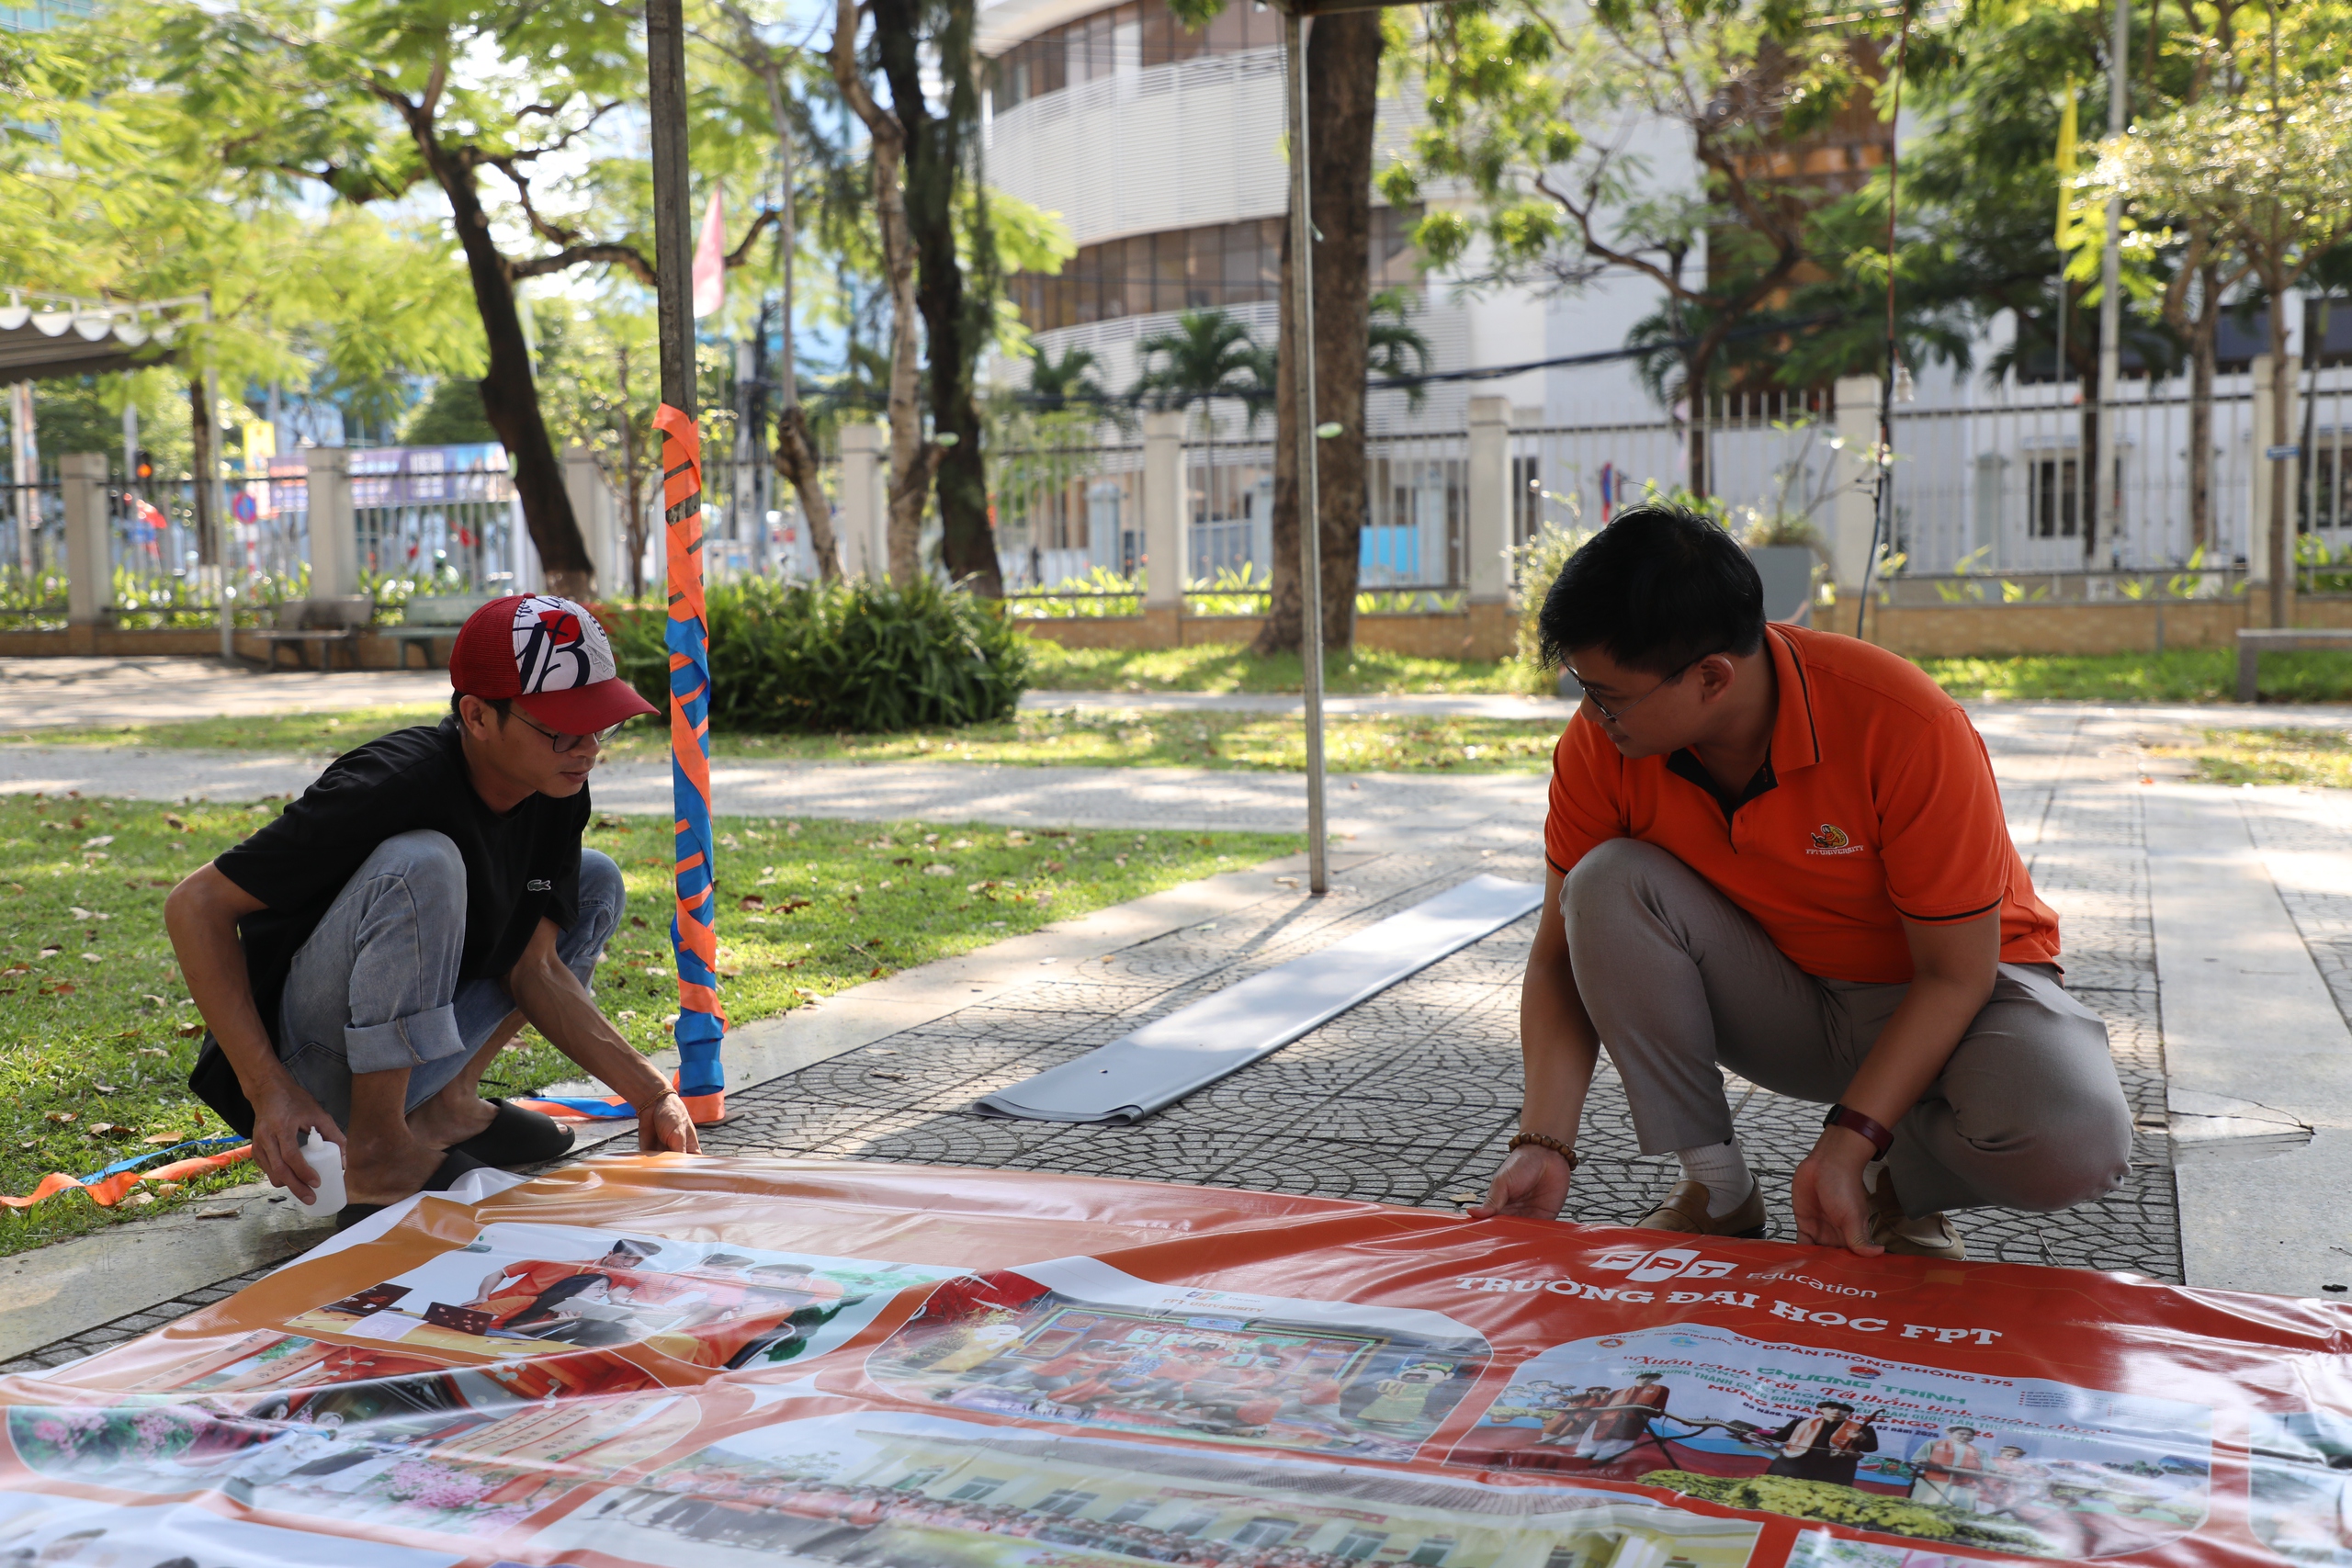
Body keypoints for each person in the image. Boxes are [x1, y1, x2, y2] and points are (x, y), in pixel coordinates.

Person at [1472, 505, 2132, 1257]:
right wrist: (1544, 1143)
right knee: (1604, 884)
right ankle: (1718, 1189)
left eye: (1607, 695)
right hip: (1785, 999)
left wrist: (1851, 1140)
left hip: (1958, 997)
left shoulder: (1904, 725)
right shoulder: (1603, 748)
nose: (1592, 716)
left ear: (1712, 676)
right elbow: (1559, 957)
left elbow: (1955, 974)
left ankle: (1888, 1186)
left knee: (2076, 1141)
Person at [168, 595, 697, 1226]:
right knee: (425, 862)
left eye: (600, 724)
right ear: (477, 715)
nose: (587, 748)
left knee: (594, 880)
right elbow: (194, 905)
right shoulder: (392, 782)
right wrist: (269, 1091)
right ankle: (377, 1151)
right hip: (303, 1066)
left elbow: (535, 969)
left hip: (395, 1063)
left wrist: (652, 1093)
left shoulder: (555, 790)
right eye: (562, 728)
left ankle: (445, 1105)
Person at [1750, 1400, 1882, 1487]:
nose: (1837, 1411)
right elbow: (1780, 1437)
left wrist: (1861, 1437)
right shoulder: (1800, 1423)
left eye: (1843, 1410)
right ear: (1821, 1410)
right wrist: (1759, 1436)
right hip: (1795, 1464)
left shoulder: (1862, 1429)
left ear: (1849, 1413)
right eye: (1832, 1408)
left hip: (1835, 1469)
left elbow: (1871, 1448)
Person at [1910, 1426, 1989, 1510]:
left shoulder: (1980, 1451)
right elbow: (1919, 1458)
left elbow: (1988, 1467)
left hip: (1963, 1484)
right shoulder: (1933, 1444)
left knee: (1956, 1509)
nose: (1966, 1436)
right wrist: (1922, 1461)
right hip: (1933, 1480)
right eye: (1961, 1434)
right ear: (1951, 1433)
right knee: (1925, 1505)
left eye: (1970, 1435)